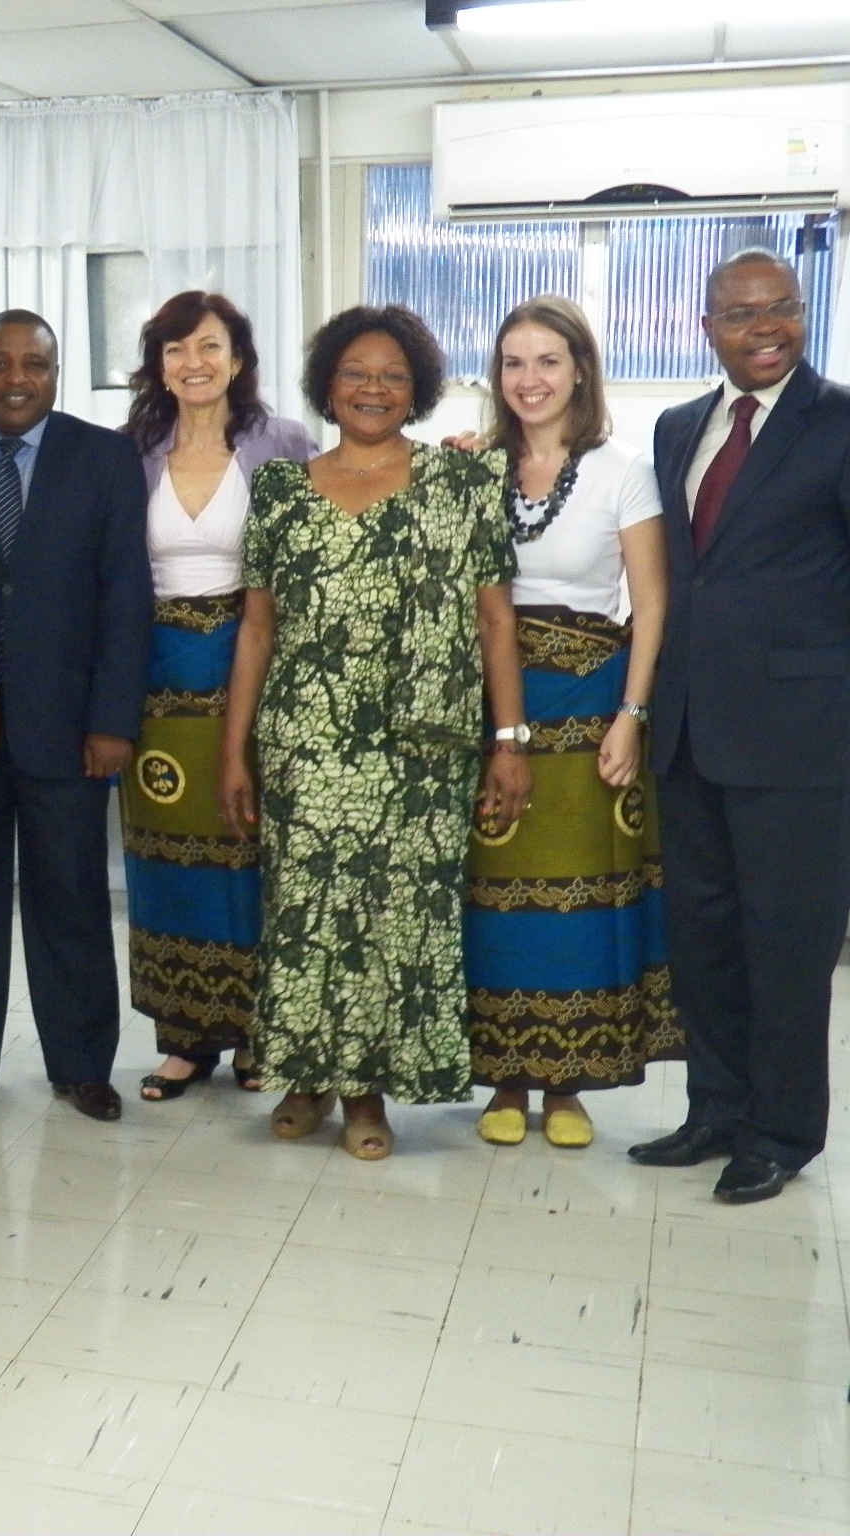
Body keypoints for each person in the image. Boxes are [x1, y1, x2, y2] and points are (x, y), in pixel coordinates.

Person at [219, 305, 530, 1160]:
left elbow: (496, 624)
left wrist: (511, 741)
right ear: (327, 384)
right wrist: (233, 751)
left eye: (393, 375)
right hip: (307, 742)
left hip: (422, 749)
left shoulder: (464, 484)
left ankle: (366, 1097)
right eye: (356, 372)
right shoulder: (281, 490)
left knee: (396, 919)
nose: (373, 387)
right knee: (308, 914)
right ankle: (308, 1075)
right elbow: (256, 630)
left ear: (418, 390)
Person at [629, 249, 850, 1203]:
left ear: (802, 315)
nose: (765, 328)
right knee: (705, 932)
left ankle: (783, 1130)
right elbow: (687, 574)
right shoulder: (679, 427)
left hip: (801, 735)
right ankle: (716, 1108)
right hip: (688, 728)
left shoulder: (840, 422)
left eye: (782, 310)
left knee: (789, 942)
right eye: (741, 314)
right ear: (707, 327)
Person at [461, 296, 681, 1148]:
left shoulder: (623, 467)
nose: (530, 380)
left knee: (581, 901)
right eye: (514, 363)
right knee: (498, 898)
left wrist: (632, 714)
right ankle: (506, 1077)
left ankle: (569, 1083)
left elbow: (653, 602)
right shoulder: (477, 465)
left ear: (580, 370)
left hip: (593, 708)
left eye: (547, 361)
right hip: (499, 705)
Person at [0, 310, 150, 1123]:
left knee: (73, 899)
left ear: (57, 373)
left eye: (34, 364)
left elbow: (127, 596)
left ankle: (83, 1063)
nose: (16, 378)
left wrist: (113, 719)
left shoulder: (106, 457)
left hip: (72, 727)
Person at [119, 291, 316, 1104]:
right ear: (157, 365)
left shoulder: (286, 444)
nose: (192, 364)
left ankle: (258, 1034)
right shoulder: (131, 450)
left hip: (252, 672)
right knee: (165, 861)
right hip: (156, 681)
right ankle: (184, 1037)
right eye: (174, 350)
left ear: (238, 358)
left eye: (208, 347)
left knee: (250, 855)